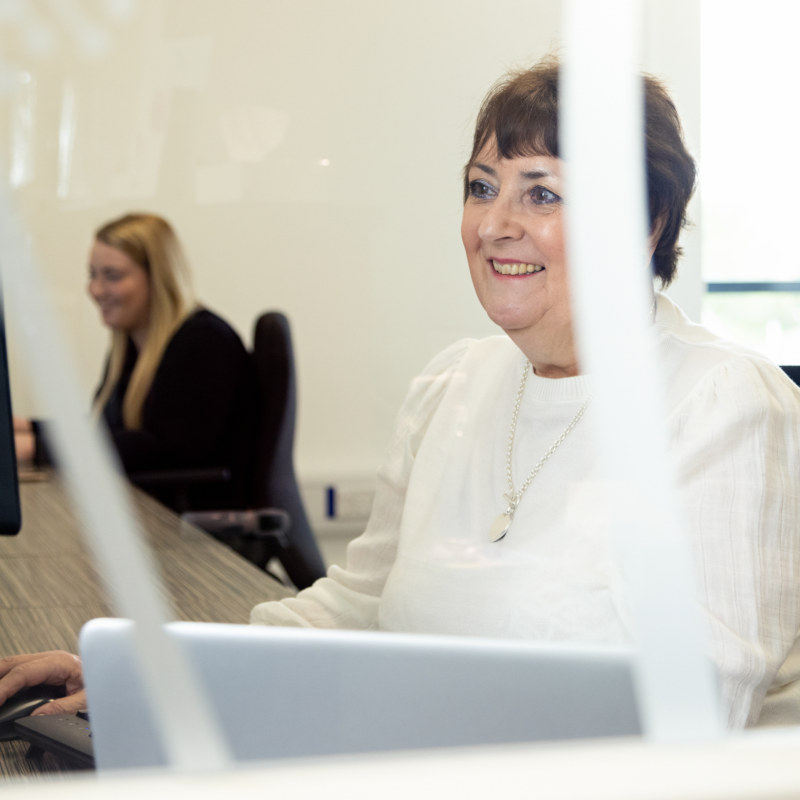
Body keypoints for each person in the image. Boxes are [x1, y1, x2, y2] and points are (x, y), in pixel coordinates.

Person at [2, 58, 799, 731]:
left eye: (541, 194)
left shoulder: (723, 403)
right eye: (481, 187)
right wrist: (141, 669)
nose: (493, 225)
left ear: (646, 222)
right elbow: (355, 608)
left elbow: (695, 710)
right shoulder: (453, 384)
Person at [14, 212, 256, 512]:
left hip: (190, 527)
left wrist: (35, 448)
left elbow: (165, 451)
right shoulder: (132, 343)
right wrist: (26, 428)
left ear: (158, 278)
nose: (95, 289)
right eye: (93, 274)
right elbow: (107, 431)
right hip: (150, 513)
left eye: (112, 276)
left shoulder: (204, 341)